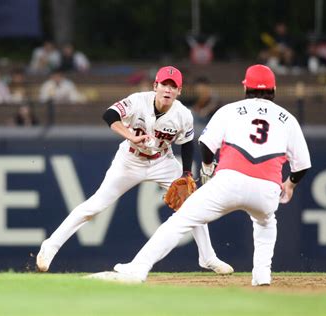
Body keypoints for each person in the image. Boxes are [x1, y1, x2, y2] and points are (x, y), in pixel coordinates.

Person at [97, 65, 311, 286]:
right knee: (266, 223)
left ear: (245, 87)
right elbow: (302, 165)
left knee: (180, 221)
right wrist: (290, 184)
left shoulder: (230, 110)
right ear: (274, 89)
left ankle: (138, 268)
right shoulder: (288, 119)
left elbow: (206, 144)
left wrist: (208, 169)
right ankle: (262, 275)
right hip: (268, 187)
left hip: (230, 181)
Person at [36, 66, 233, 275]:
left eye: (173, 87)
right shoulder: (138, 100)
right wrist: (130, 135)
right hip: (130, 160)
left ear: (179, 91)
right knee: (95, 205)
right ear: (155, 86)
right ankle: (51, 246)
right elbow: (109, 115)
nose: (168, 90)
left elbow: (186, 144)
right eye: (164, 84)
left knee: (192, 204)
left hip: (162, 161)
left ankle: (207, 257)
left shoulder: (183, 114)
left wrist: (185, 173)